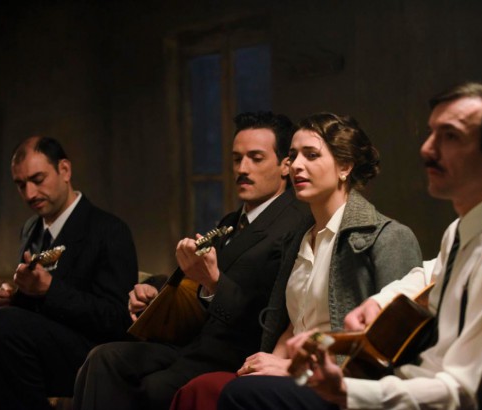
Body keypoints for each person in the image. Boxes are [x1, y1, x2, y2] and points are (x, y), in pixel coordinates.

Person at [217, 82, 482, 410]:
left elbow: (468, 394)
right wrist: (379, 302)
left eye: (450, 136)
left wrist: (346, 391)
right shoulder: (464, 230)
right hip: (411, 386)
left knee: (240, 396)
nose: (427, 148)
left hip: (426, 397)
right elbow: (429, 273)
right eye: (431, 133)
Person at [168, 112, 422, 410]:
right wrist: (269, 362)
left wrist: (291, 369)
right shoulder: (298, 238)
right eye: (293, 155)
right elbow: (293, 323)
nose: (296, 165)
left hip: (346, 385)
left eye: (311, 155)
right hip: (296, 374)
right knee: (198, 390)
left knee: (237, 393)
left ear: (344, 166)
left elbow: (393, 347)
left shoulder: (389, 237)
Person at [72, 111, 310, 410]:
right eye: (237, 159)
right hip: (194, 342)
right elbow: (194, 285)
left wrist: (214, 282)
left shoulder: (294, 224)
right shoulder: (231, 221)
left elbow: (269, 316)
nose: (242, 169)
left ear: (285, 165)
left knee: (150, 387)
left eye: (256, 158)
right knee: (103, 358)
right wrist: (157, 295)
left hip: (236, 351)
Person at [0, 136, 138, 410]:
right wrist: (15, 299)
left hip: (92, 353)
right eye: (21, 185)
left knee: (2, 327)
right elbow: (36, 310)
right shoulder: (31, 229)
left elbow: (118, 319)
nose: (30, 194)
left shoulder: (109, 230)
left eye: (38, 179)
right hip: (38, 348)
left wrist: (49, 290)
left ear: (64, 170)